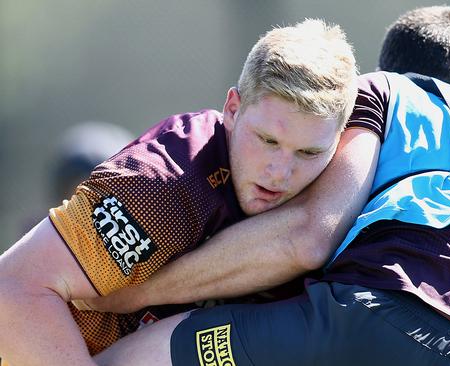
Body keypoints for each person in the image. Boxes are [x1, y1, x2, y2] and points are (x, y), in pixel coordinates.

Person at [91, 6, 450, 366]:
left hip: (374, 319)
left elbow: (307, 237)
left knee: (132, 359)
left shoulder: (388, 92)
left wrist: (132, 293)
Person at [0, 19, 368, 366]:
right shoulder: (161, 184)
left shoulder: (342, 187)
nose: (280, 172)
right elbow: (12, 288)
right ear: (233, 109)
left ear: (339, 141)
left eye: (308, 153)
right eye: (267, 140)